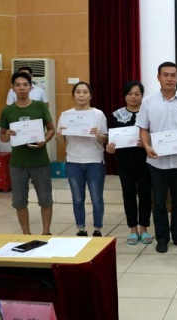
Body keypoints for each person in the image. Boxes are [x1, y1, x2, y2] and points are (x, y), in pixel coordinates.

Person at [137, 62, 177, 253]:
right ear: (158, 77)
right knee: (159, 202)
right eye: (165, 75)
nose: (170, 78)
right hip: (157, 161)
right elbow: (143, 129)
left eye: (173, 75)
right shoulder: (148, 102)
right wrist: (147, 147)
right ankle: (162, 238)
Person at [0, 72, 55, 235]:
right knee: (19, 201)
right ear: (13, 88)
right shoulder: (8, 111)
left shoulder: (40, 106)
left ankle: (46, 232)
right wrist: (7, 134)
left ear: (30, 87)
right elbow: (2, 137)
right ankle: (26, 233)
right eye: (18, 85)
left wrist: (44, 140)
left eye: (25, 85)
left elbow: (51, 129)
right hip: (18, 163)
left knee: (45, 199)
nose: (22, 88)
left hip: (40, 161)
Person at [57, 82, 108, 237]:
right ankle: (81, 228)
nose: (81, 95)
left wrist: (98, 134)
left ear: (90, 95)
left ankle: (97, 228)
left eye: (85, 92)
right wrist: (60, 134)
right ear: (73, 95)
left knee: (96, 198)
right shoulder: (66, 115)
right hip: (73, 161)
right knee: (78, 199)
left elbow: (105, 139)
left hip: (94, 161)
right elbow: (60, 141)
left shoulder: (98, 114)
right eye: (78, 92)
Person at [107, 81, 152, 245]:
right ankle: (132, 229)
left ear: (142, 96)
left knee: (145, 194)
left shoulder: (148, 114)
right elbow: (111, 138)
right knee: (128, 194)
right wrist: (110, 148)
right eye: (130, 94)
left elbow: (154, 135)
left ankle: (144, 228)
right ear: (125, 96)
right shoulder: (116, 115)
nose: (133, 97)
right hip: (125, 162)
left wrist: (146, 143)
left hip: (145, 161)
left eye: (137, 94)